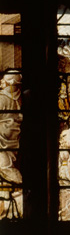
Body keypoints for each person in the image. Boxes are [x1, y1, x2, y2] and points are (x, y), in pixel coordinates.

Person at [0, 70, 22, 219]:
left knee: (5, 167)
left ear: (11, 83)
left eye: (4, 80)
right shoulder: (19, 98)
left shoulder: (2, 98)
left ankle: (20, 187)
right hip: (11, 139)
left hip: (3, 140)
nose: (1, 82)